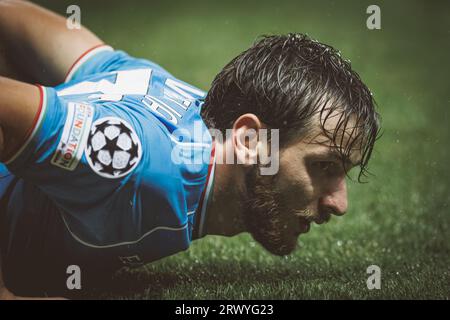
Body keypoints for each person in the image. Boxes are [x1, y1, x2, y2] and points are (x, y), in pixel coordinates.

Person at [0, 1, 380, 299]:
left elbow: (11, 14)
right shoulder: (135, 162)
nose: (340, 203)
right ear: (249, 142)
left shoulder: (200, 119)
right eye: (324, 165)